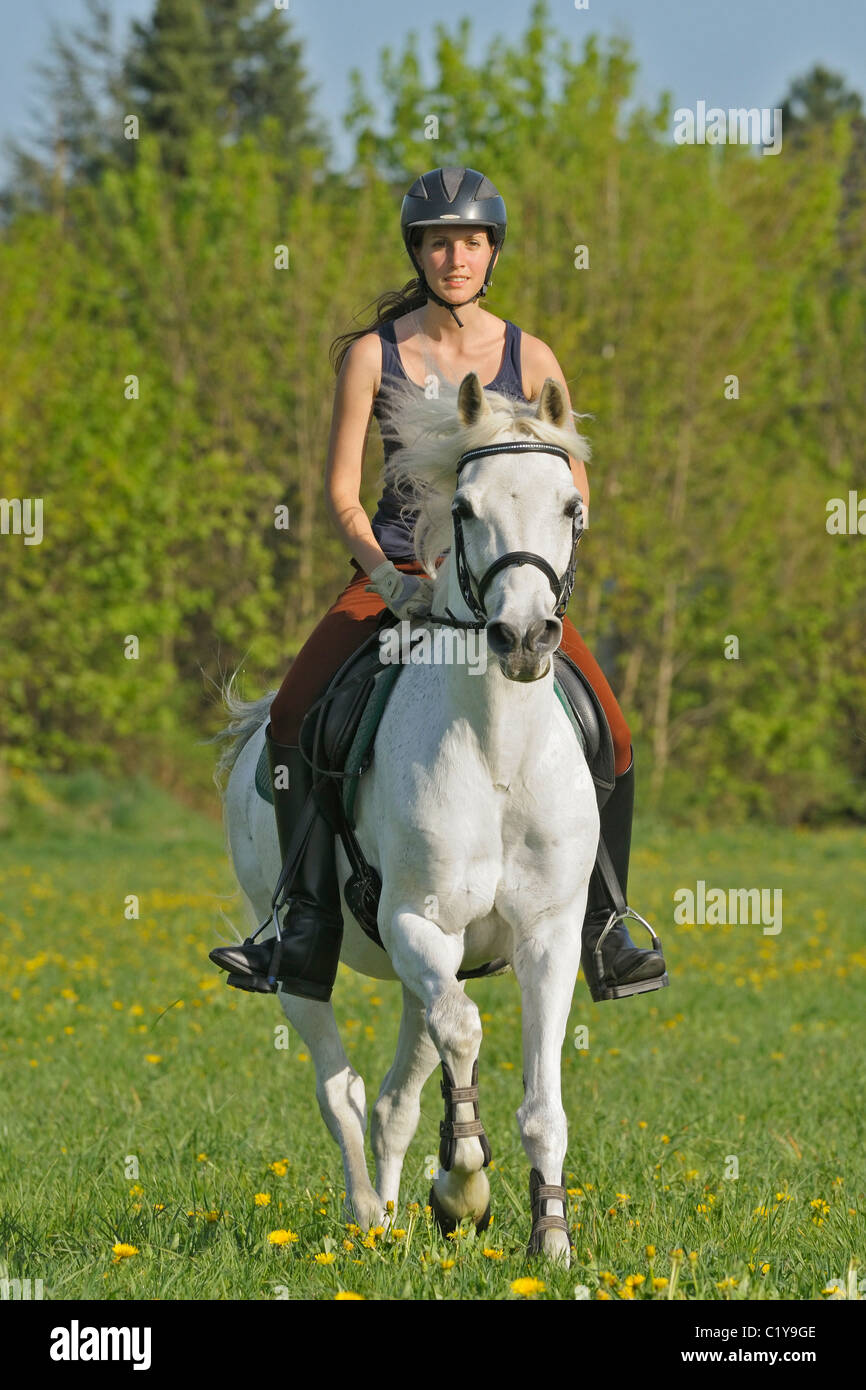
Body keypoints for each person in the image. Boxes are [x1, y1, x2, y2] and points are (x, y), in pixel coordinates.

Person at [210, 166, 667, 1004]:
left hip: (503, 584)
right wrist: (386, 577)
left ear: (493, 253)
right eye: (437, 242)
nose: (455, 256)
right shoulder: (371, 355)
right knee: (291, 716)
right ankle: (300, 922)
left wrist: (538, 567)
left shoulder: (532, 356)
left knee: (618, 731)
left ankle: (604, 922)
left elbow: (574, 485)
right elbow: (343, 494)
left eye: (471, 241)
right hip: (392, 578)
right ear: (417, 253)